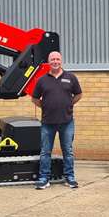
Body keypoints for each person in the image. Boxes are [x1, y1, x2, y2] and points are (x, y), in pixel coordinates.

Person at [31, 51, 82, 189]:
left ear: (61, 61)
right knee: (45, 152)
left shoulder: (70, 77)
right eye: (52, 59)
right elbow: (35, 98)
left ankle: (70, 177)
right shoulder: (42, 80)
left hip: (67, 121)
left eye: (57, 59)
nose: (55, 61)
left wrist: (69, 103)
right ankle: (44, 178)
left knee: (68, 151)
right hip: (48, 123)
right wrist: (46, 106)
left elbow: (78, 94)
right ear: (49, 61)